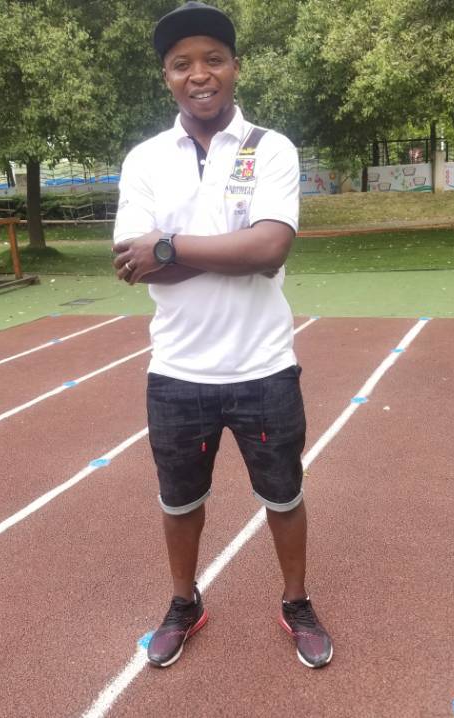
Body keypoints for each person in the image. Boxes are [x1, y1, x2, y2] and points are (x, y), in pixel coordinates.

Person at [112, 1, 332, 670]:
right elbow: (132, 263)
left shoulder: (271, 147)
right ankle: (184, 603)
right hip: (177, 372)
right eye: (182, 64)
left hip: (264, 367)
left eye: (213, 59)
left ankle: (296, 602)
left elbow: (269, 249)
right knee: (180, 503)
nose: (199, 74)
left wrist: (170, 246)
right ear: (167, 77)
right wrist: (224, 249)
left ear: (236, 67)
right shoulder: (146, 159)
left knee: (283, 495)